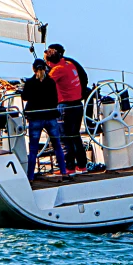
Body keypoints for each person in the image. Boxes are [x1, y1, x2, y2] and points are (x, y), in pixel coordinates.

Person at [22, 59, 69, 181]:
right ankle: (64, 172)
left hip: (36, 118)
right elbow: (55, 100)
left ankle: (30, 177)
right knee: (57, 146)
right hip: (50, 117)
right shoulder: (51, 82)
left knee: (33, 149)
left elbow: (24, 97)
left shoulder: (30, 82)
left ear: (33, 69)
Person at [45, 43, 88, 174]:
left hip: (65, 106)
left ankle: (69, 167)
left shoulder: (56, 70)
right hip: (77, 105)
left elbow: (44, 85)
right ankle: (82, 166)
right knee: (75, 136)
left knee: (64, 137)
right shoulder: (70, 64)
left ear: (49, 61)